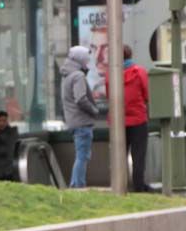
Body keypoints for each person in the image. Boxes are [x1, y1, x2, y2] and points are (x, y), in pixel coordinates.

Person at [104, 45, 151, 192]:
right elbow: (147, 94)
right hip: (138, 120)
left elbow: (109, 96)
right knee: (138, 155)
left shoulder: (110, 74)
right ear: (130, 55)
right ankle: (138, 185)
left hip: (118, 121)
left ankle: (119, 185)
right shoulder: (140, 72)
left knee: (119, 156)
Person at [61, 45, 103, 188]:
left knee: (81, 155)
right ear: (80, 59)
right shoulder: (78, 76)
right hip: (82, 122)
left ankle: (76, 184)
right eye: (86, 59)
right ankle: (77, 185)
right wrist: (94, 110)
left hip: (73, 122)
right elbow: (81, 98)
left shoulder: (67, 76)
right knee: (82, 156)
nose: (88, 62)